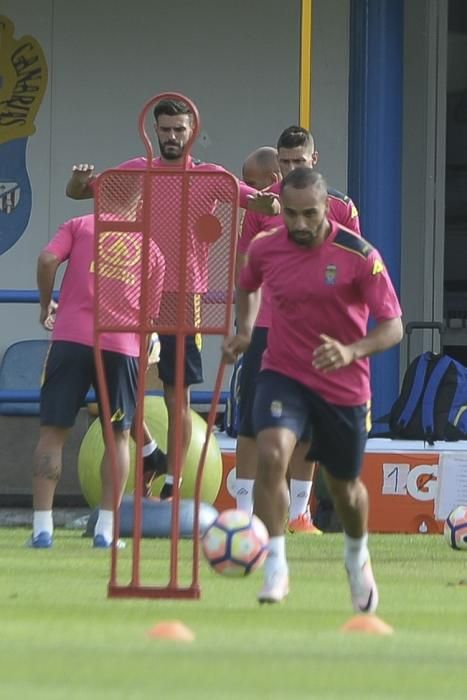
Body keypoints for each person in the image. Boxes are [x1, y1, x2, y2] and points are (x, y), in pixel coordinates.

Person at [66, 98, 279, 500]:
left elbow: (259, 202)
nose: (172, 137)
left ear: (192, 131)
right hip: (131, 295)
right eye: (165, 129)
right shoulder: (134, 170)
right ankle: (148, 450)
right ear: (153, 130)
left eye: (179, 129)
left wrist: (268, 202)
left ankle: (171, 483)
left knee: (175, 394)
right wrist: (79, 179)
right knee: (111, 390)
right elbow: (78, 193)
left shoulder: (211, 177)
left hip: (183, 298)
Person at [223, 168, 403, 607]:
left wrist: (351, 351)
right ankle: (276, 566)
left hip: (343, 385)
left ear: (328, 209)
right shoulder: (266, 248)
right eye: (291, 214)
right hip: (283, 373)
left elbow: (394, 327)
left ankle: (357, 556)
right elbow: (246, 286)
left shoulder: (359, 254)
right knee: (271, 455)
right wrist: (246, 330)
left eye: (310, 214)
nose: (299, 224)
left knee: (344, 489)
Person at [235, 127, 361, 534]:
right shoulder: (262, 204)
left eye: (298, 161)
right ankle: (242, 513)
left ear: (314, 159)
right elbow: (245, 269)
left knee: (306, 425)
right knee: (252, 422)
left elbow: (354, 266)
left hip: (316, 332)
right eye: (284, 162)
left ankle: (298, 515)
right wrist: (245, 325)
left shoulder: (341, 207)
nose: (290, 168)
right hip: (268, 327)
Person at [31, 213, 164, 548]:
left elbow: (47, 258)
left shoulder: (80, 224)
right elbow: (150, 317)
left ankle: (41, 531)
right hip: (121, 345)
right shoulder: (151, 247)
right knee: (117, 436)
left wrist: (45, 306)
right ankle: (106, 531)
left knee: (52, 434)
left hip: (71, 340)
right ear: (140, 203)